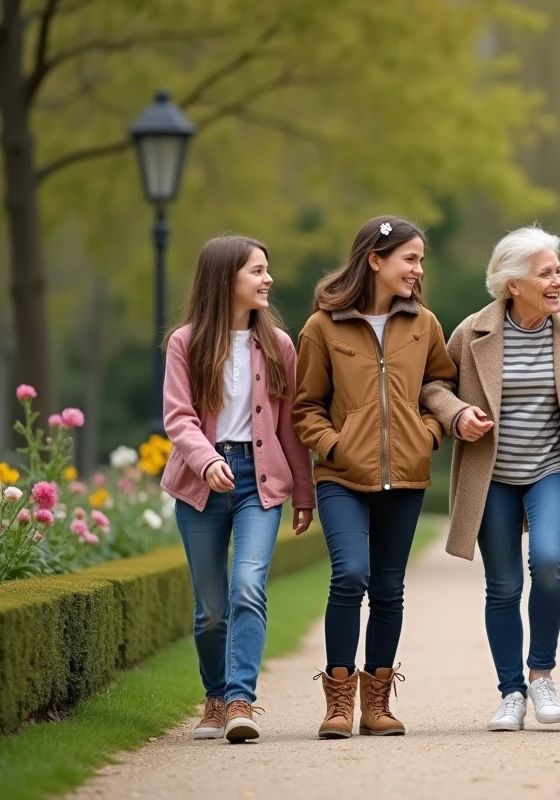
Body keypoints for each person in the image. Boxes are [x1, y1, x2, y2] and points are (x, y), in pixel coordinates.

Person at [421, 226, 560, 732]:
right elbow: (434, 386)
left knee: (550, 561)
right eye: (546, 273)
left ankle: (542, 673)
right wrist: (458, 412)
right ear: (514, 284)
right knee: (503, 586)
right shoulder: (471, 332)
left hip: (552, 467)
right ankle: (511, 691)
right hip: (493, 476)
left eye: (558, 271)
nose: (558, 281)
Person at [293, 216, 456, 739]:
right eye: (409, 258)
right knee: (351, 575)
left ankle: (376, 704)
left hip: (406, 476)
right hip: (341, 477)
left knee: (388, 589)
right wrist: (334, 444)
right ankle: (338, 701)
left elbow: (440, 385)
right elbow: (305, 406)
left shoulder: (424, 324)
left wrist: (428, 434)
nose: (417, 269)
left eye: (420, 260)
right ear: (375, 260)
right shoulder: (323, 327)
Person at [161, 235, 316, 744]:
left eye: (266, 270)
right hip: (200, 483)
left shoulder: (278, 346)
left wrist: (304, 492)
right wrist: (206, 463)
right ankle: (213, 696)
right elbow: (179, 418)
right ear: (225, 279)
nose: (267, 279)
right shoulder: (186, 343)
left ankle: (239, 699)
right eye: (257, 271)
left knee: (248, 584)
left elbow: (290, 427)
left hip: (259, 480)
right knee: (210, 610)